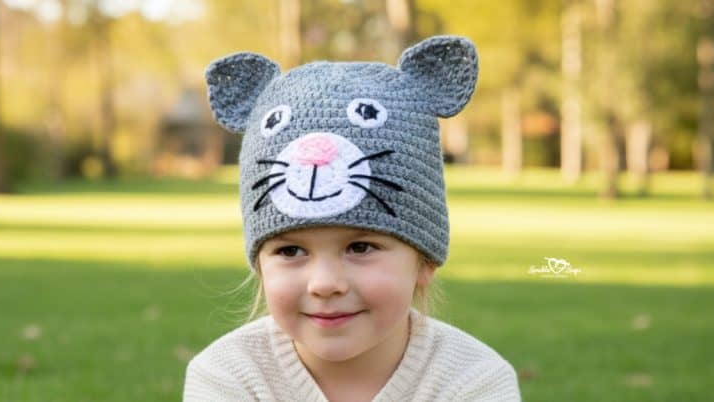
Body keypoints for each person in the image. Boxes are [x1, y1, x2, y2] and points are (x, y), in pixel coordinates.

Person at [184, 35, 521, 401]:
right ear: (260, 266)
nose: (325, 284)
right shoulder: (227, 377)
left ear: (425, 261)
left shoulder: (473, 381)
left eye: (360, 246)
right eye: (291, 251)